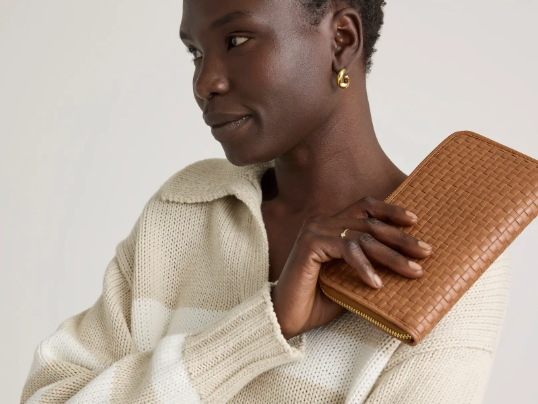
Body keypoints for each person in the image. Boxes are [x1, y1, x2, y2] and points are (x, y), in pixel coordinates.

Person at [21, 0, 512, 403]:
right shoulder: (187, 208)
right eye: (195, 52)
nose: (204, 83)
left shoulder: (446, 260)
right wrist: (260, 329)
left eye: (237, 41)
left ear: (341, 39)